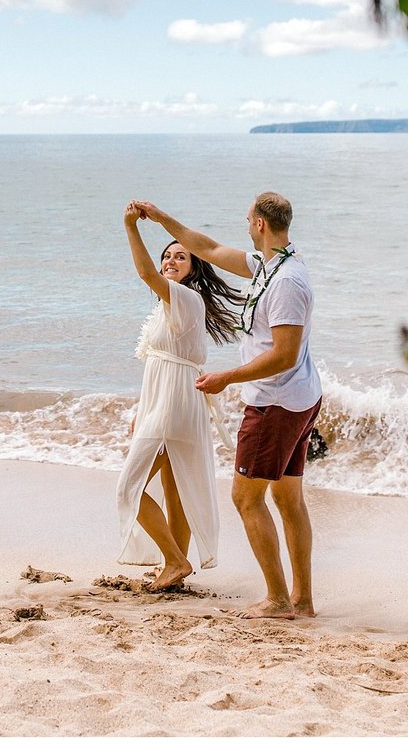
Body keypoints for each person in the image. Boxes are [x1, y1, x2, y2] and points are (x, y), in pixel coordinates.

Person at [133, 193, 321, 619]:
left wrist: (225, 379)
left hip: (276, 402)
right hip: (295, 397)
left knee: (246, 498)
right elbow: (208, 248)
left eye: (248, 219)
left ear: (259, 224)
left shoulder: (287, 281)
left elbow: (284, 354)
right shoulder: (267, 265)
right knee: (288, 501)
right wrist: (162, 217)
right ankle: (302, 600)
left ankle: (277, 600)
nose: (245, 225)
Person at [117, 201, 243, 590]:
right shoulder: (171, 304)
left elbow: (143, 272)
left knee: (129, 488)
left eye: (180, 256)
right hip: (171, 401)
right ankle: (175, 570)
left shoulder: (186, 298)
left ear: (194, 266)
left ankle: (174, 561)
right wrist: (142, 408)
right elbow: (160, 363)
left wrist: (131, 227)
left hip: (173, 403)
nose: (171, 260)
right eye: (167, 255)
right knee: (175, 488)